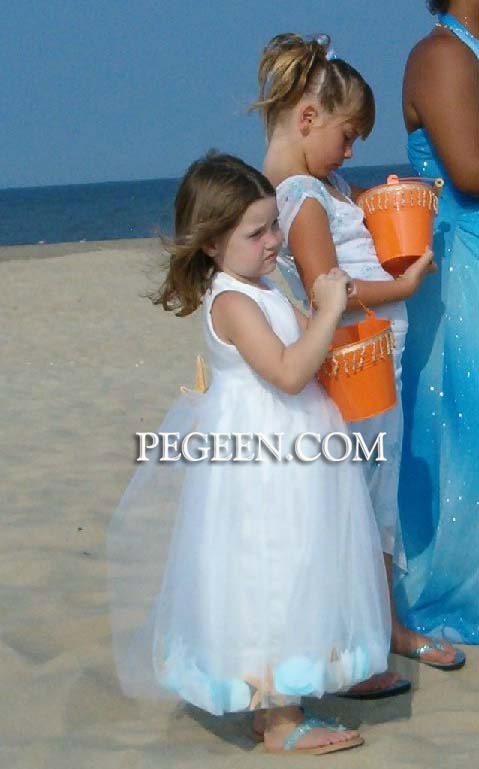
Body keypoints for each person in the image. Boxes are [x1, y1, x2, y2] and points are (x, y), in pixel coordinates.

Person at [108, 151, 392, 755]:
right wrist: (330, 310)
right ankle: (281, 720)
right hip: (263, 463)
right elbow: (289, 372)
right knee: (269, 571)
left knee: (299, 565)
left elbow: (307, 342)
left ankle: (279, 702)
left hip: (299, 453)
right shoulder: (231, 302)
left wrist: (327, 308)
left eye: (273, 225)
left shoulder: (263, 286)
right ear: (212, 244)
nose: (273, 241)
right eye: (256, 232)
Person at [251, 32, 462, 682]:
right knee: (357, 502)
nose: (350, 151)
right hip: (352, 365)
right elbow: (327, 288)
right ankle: (358, 646)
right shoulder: (299, 196)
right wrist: (399, 287)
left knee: (380, 501)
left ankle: (385, 626)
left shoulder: (326, 181)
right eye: (346, 136)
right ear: (307, 119)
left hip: (377, 360)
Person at [397, 0, 479, 646]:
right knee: (460, 421)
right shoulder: (442, 55)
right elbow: (468, 170)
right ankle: (451, 588)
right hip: (459, 267)